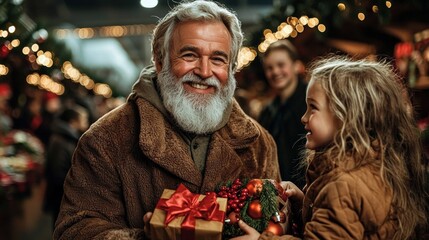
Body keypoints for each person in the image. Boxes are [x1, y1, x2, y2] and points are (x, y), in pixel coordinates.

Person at [53, 1, 280, 239]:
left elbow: (278, 220)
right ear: (160, 61)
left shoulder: (258, 144)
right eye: (190, 55)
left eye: (217, 59)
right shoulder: (105, 139)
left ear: (231, 68)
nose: (204, 71)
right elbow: (74, 230)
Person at [233, 55, 428, 240]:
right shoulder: (375, 164)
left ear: (348, 117)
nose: (304, 117)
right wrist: (305, 202)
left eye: (313, 107)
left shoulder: (342, 185)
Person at [258, 40, 307, 189]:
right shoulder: (267, 111)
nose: (275, 72)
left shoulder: (311, 103)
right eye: (269, 68)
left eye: (281, 65)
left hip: (306, 191)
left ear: (296, 66)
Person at [43, 106, 89, 229]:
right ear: (73, 122)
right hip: (60, 196)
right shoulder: (61, 141)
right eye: (83, 119)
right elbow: (57, 173)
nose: (86, 122)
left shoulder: (67, 138)